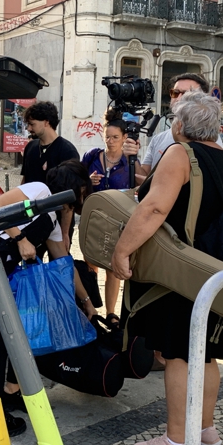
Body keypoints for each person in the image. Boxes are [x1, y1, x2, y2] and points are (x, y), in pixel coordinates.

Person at [111, 91, 223, 445]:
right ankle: (205, 429)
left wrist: (122, 250)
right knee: (207, 353)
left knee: (178, 354)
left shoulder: (180, 154)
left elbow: (154, 208)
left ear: (180, 125)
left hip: (182, 271)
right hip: (216, 269)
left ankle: (176, 442)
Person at [0, 159, 94, 437]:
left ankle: (8, 394)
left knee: (12, 337)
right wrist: (20, 238)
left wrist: (86, 302)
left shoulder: (53, 216)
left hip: (2, 275)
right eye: (83, 190)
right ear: (76, 188)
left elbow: (64, 262)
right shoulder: (39, 191)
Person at [81, 109, 141, 325]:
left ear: (125, 138)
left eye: (115, 137)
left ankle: (111, 313)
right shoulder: (92, 156)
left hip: (118, 220)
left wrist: (134, 160)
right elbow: (77, 180)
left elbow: (143, 183)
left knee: (112, 266)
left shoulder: (130, 161)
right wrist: (88, 181)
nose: (110, 141)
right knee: (90, 265)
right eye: (107, 136)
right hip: (93, 217)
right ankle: (90, 310)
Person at [130, 73, 211, 182]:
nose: (179, 98)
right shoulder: (158, 139)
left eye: (187, 94)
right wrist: (132, 157)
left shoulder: (210, 141)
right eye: (175, 92)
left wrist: (159, 184)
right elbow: (142, 179)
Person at [21, 101, 80, 246]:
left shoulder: (67, 151)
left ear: (46, 122)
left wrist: (65, 233)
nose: (29, 128)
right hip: (32, 219)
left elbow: (69, 197)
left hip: (58, 220)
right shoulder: (30, 147)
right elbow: (25, 182)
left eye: (32, 124)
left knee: (59, 259)